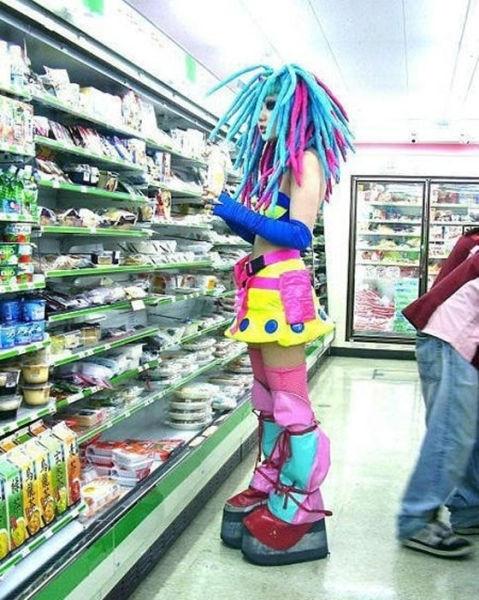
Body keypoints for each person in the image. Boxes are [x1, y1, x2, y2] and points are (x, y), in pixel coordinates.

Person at [207, 64, 353, 565]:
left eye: (272, 106)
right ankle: (271, 481)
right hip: (258, 288)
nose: (262, 116)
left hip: (280, 293)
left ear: (296, 109)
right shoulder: (279, 167)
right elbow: (262, 234)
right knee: (267, 399)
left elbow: (297, 235)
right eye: (261, 106)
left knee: (291, 403)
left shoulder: (306, 161)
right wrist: (227, 210)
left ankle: (302, 500)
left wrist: (233, 209)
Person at [397, 227, 479, 558]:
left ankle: (470, 510)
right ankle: (416, 520)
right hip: (453, 338)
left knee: (469, 431)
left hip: (454, 337)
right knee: (452, 432)